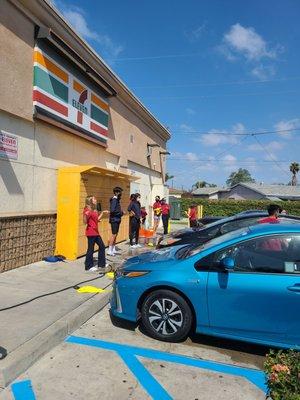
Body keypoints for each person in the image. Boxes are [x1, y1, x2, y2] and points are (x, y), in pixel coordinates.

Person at [83, 196, 107, 272]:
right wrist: (85, 215)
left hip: (96, 232)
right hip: (90, 232)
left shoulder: (94, 210)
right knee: (91, 249)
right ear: (90, 201)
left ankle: (101, 264)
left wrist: (102, 213)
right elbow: (84, 222)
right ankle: (88, 266)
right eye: (94, 199)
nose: (96, 200)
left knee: (102, 246)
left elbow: (97, 220)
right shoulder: (87, 209)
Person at [108, 186, 124, 256]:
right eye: (120, 193)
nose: (121, 194)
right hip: (114, 220)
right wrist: (121, 213)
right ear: (117, 193)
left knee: (116, 234)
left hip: (117, 219)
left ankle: (113, 248)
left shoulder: (116, 200)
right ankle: (109, 250)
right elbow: (112, 210)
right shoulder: (114, 200)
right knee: (113, 234)